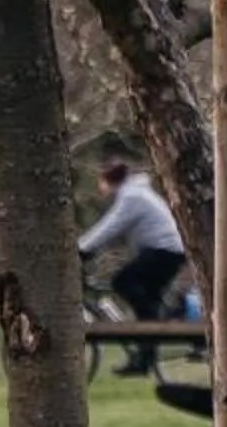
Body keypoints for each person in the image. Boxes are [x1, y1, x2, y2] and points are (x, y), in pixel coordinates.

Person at [78, 158, 186, 375]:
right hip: (168, 251)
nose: (100, 188)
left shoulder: (131, 196)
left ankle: (151, 325)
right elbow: (113, 229)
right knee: (146, 295)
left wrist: (81, 249)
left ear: (107, 181)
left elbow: (111, 226)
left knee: (123, 282)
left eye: (101, 182)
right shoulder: (136, 193)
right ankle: (144, 357)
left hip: (163, 251)